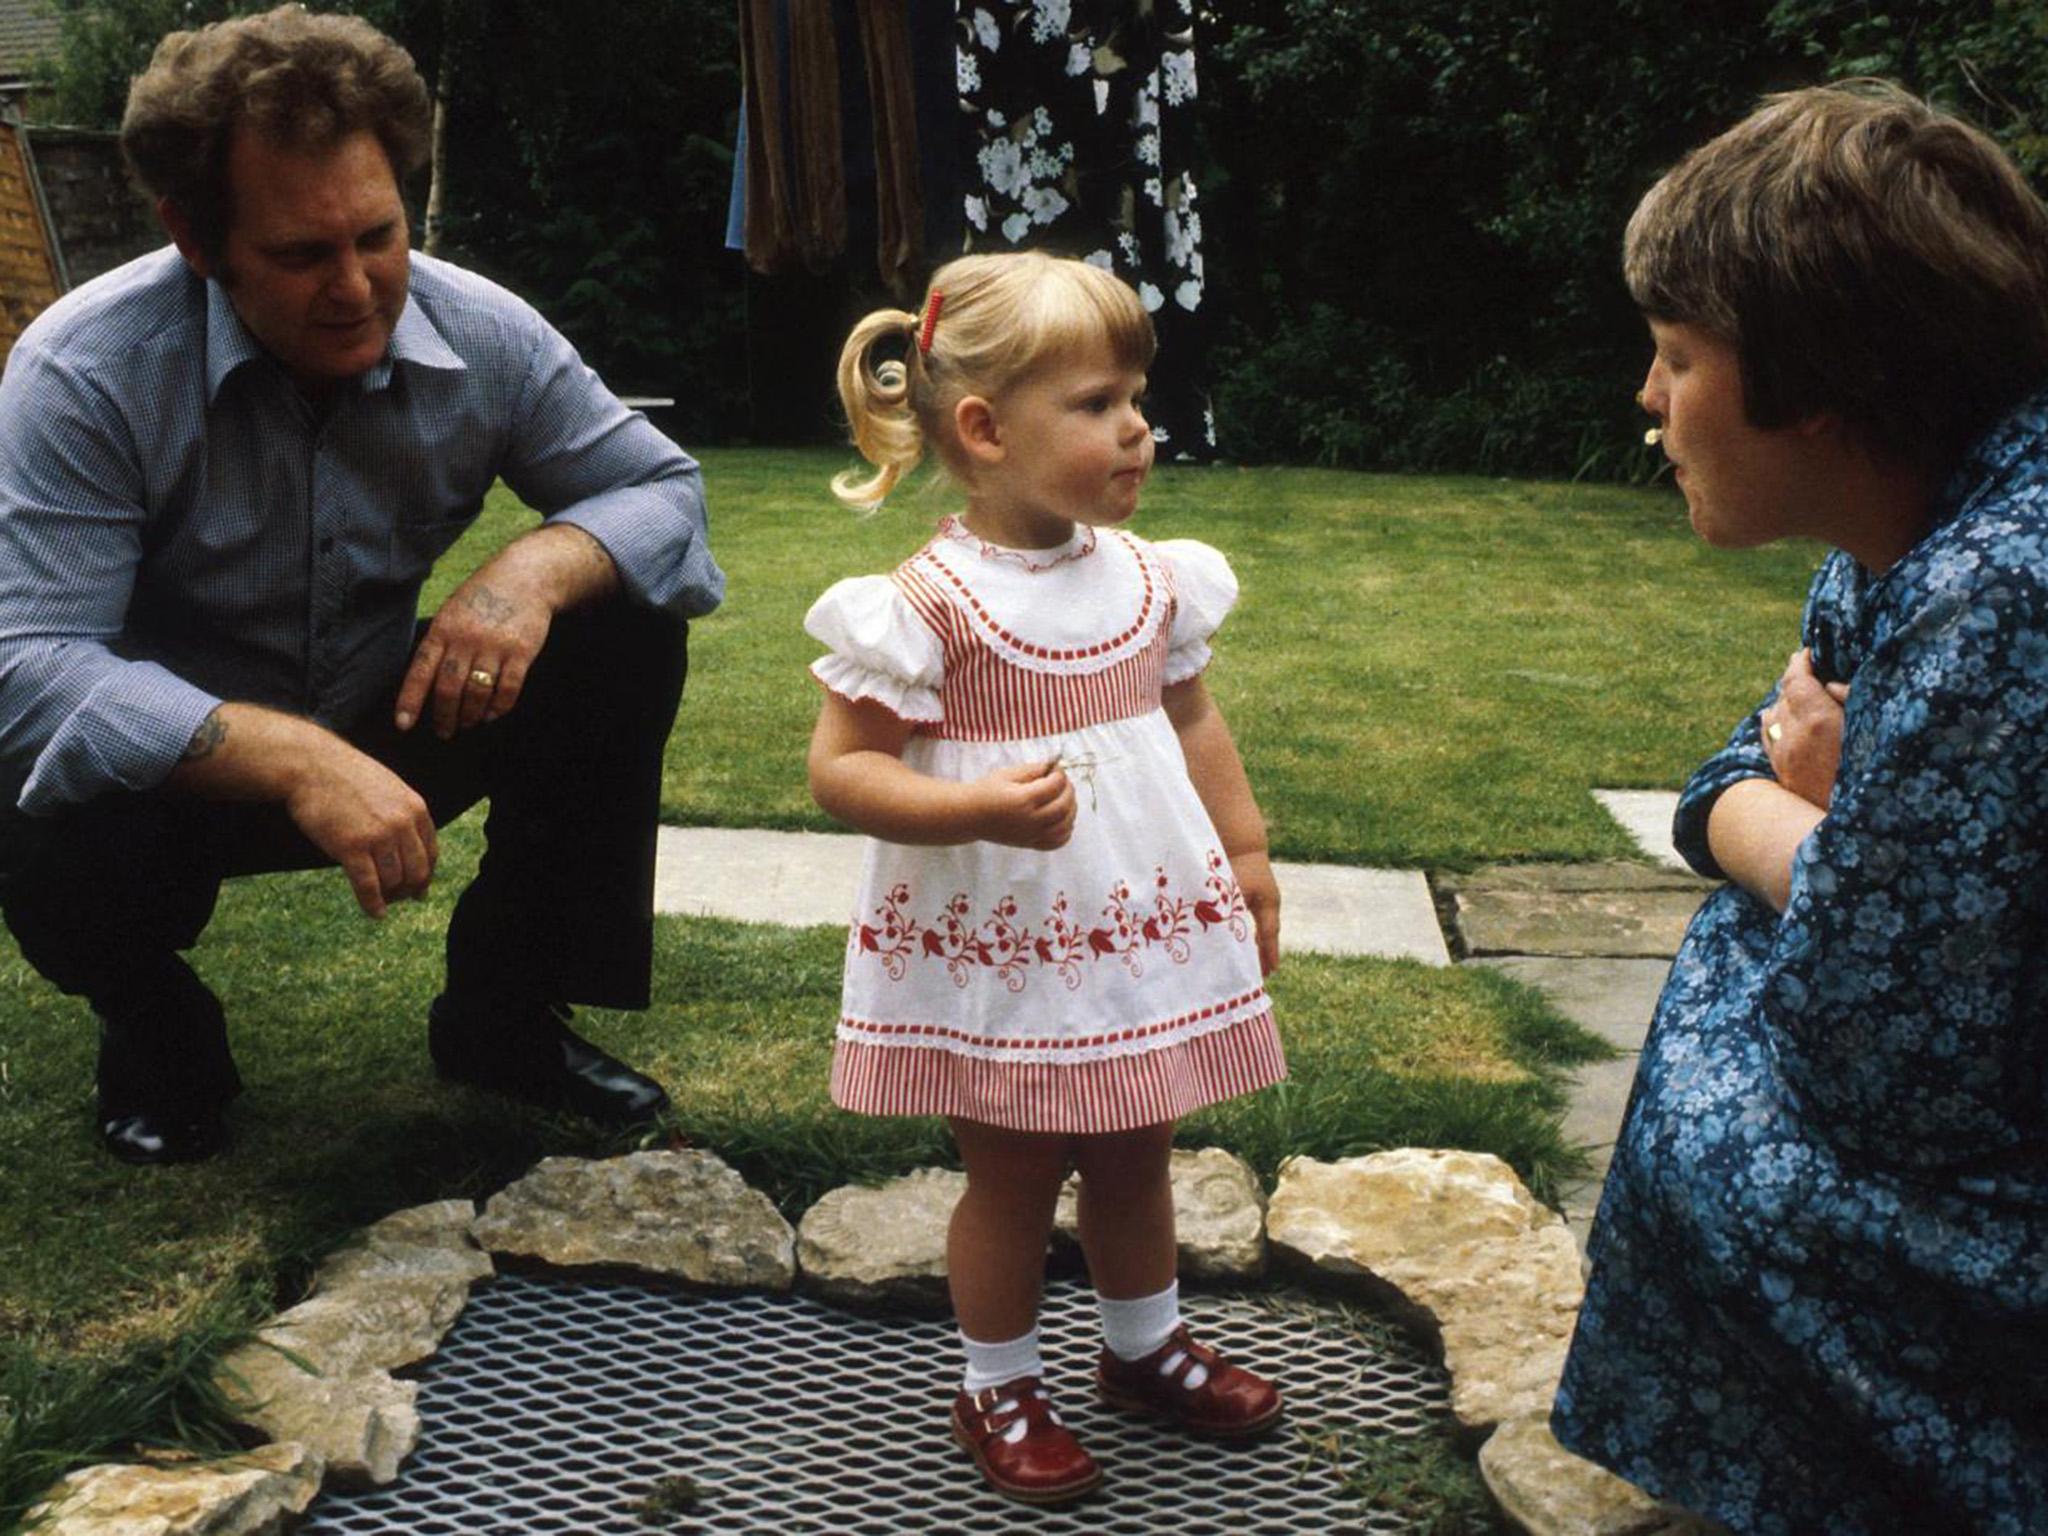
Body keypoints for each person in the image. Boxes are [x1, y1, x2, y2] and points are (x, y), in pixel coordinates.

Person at [0, 8, 724, 1166]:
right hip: (167, 783)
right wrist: (291, 757)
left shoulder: (485, 331)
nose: (357, 287)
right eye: (300, 254)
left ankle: (503, 1015)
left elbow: (662, 494)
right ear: (194, 235)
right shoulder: (85, 372)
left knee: (623, 616)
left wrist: (533, 567)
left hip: (384, 709)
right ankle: (155, 1023)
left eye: (377, 236)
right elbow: (30, 665)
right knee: (27, 770)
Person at [1553, 82, 2048, 1534]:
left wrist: (1795, 830)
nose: (1649, 397)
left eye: (1679, 355)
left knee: (1728, 1101)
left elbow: (1872, 1066)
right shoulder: (1915, 529)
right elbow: (1733, 767)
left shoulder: (2002, 598)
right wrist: (1801, 826)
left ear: (1824, 385)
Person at [804, 252, 1287, 1505]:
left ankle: (1141, 1348)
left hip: (1133, 932)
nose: (1137, 428)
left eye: (1135, 395)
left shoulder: (1148, 580)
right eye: (1095, 404)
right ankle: (997, 1380)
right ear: (984, 427)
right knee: (1011, 1169)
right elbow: (843, 772)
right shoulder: (925, 605)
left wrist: (1247, 863)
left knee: (1137, 1146)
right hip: (999, 946)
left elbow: (1191, 725)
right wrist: (966, 802)